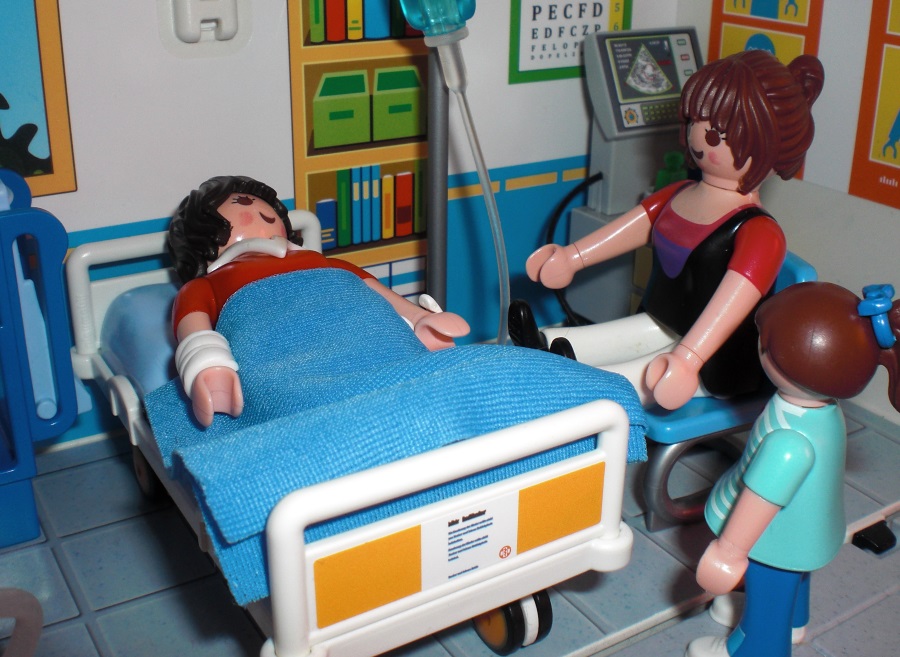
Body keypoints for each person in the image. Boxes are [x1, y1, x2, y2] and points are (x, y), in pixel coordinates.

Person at [517, 50, 824, 409]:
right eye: (695, 121)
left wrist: (689, 359)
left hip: (715, 359)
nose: (698, 136)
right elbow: (630, 227)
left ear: (767, 145)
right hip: (663, 322)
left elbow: (729, 305)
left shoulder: (761, 233)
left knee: (618, 380)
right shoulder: (680, 194)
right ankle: (543, 348)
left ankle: (571, 384)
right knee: (577, 341)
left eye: (718, 134)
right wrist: (572, 257)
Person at [686, 281, 900, 657]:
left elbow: (761, 499)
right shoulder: (824, 411)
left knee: (769, 589)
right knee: (794, 578)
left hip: (774, 538)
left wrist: (728, 552)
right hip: (809, 530)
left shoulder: (788, 443)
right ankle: (795, 622)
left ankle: (756, 648)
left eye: (764, 346)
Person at [167, 175, 469, 426]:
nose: (264, 215)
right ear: (203, 233)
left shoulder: (327, 264)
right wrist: (207, 365)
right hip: (285, 360)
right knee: (300, 401)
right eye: (244, 204)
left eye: (267, 208)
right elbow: (194, 330)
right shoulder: (206, 285)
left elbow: (376, 293)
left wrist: (419, 319)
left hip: (368, 338)